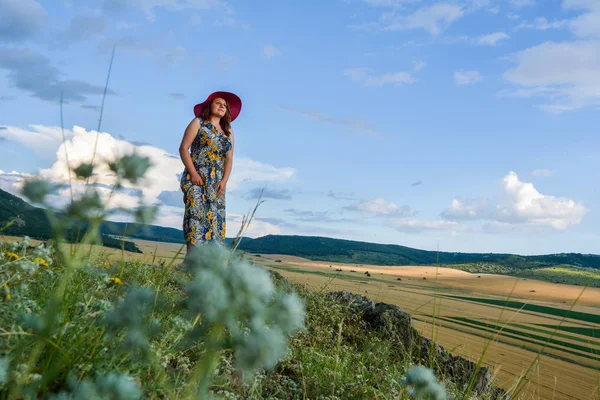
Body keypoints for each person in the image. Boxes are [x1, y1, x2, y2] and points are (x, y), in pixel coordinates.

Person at [179, 91, 242, 256]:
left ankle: (209, 262)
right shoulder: (199, 123)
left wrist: (225, 181)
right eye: (218, 103)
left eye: (225, 105)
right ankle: (191, 259)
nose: (222, 106)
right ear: (209, 105)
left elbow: (229, 158)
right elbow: (184, 148)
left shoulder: (228, 132)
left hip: (217, 182)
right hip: (197, 176)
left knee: (215, 220)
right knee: (195, 215)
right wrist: (193, 174)